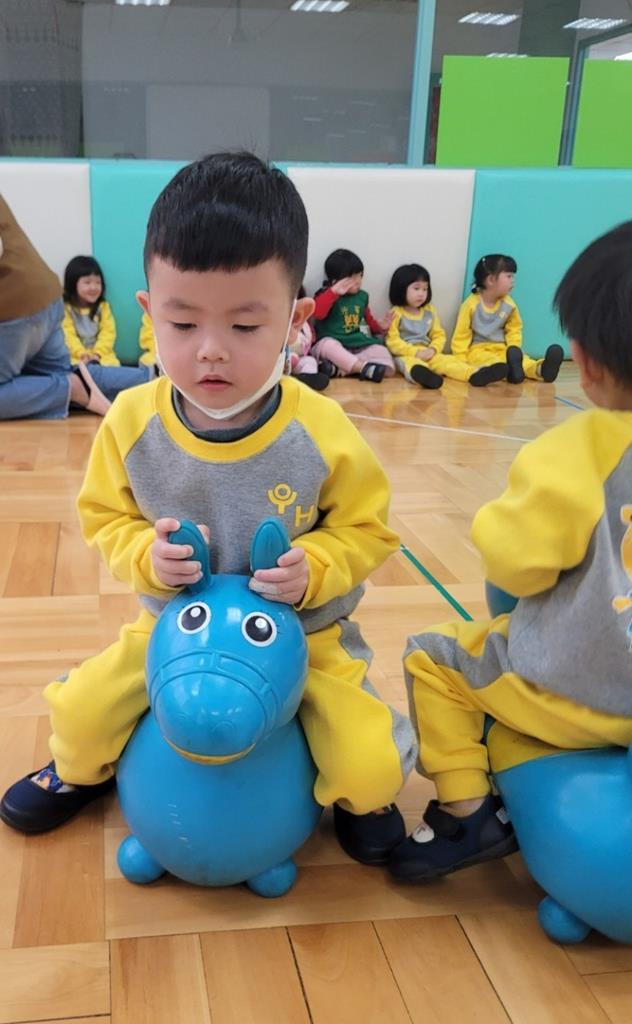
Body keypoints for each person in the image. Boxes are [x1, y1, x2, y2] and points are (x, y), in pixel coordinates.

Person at [0, 153, 416, 867]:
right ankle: (82, 773)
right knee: (80, 713)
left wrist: (315, 568)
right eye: (183, 323)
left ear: (296, 320)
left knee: (370, 763)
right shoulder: (130, 421)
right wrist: (145, 556)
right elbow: (105, 517)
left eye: (247, 327)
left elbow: (368, 529)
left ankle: (357, 797)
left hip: (305, 636)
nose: (211, 352)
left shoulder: (321, 430)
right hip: (173, 630)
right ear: (148, 312)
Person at [389, 221, 632, 882]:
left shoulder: (578, 450)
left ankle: (465, 811)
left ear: (584, 360)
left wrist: (497, 521)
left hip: (575, 693)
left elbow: (515, 567)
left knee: (433, 656)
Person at [0, 193, 110, 418]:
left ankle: (68, 390)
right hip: (46, 296)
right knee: (67, 374)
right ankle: (150, 377)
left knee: (64, 383)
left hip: (14, 309)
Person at [386, 263, 506, 389]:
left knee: (448, 362)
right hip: (406, 354)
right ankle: (424, 377)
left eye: (425, 289)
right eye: (416, 289)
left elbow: (439, 335)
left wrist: (433, 349)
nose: (421, 294)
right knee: (410, 364)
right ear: (401, 289)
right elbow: (392, 341)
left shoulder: (429, 311)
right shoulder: (396, 313)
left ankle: (475, 373)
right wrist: (415, 352)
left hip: (429, 352)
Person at [451, 254, 563, 384]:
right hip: (478, 350)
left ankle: (541, 369)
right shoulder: (471, 305)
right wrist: (461, 358)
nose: (512, 281)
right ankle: (510, 372)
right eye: (509, 276)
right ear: (491, 279)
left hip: (503, 349)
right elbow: (462, 334)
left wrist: (513, 348)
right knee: (492, 363)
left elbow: (514, 329)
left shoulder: (509, 304)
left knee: (525, 362)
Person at [311, 249, 395, 383]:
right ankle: (362, 368)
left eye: (360, 275)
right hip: (334, 344)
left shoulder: (362, 297)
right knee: (327, 346)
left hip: (357, 346)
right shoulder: (325, 294)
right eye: (352, 277)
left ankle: (340, 370)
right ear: (335, 279)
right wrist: (333, 292)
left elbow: (368, 322)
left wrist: (380, 327)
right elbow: (318, 314)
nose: (358, 281)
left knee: (383, 354)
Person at [62, 256, 119, 366]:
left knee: (112, 365)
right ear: (73, 283)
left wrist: (97, 353)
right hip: (75, 356)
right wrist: (81, 354)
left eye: (98, 282)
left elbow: (108, 332)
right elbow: (67, 335)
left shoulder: (103, 307)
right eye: (87, 282)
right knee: (69, 367)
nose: (93, 287)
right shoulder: (67, 309)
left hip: (101, 355)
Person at [287, 286, 329, 391]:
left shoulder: (304, 323)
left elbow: (309, 339)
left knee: (310, 361)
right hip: (281, 358)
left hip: (300, 357)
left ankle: (306, 378)